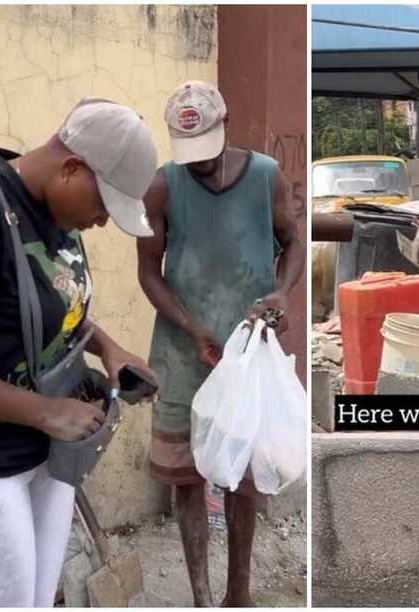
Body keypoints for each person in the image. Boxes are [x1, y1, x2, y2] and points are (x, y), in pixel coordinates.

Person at [0, 98, 159, 607]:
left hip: (49, 456)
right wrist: (47, 412)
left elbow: (55, 308)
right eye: (103, 206)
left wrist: (110, 349)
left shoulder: (54, 212)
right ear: (71, 168)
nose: (102, 223)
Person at [137, 80, 305, 607]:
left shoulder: (264, 176)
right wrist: (190, 327)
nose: (200, 165)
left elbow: (293, 240)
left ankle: (239, 594)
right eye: (190, 156)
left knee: (244, 474)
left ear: (226, 125)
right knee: (186, 474)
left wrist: (280, 293)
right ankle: (201, 596)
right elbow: (148, 271)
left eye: (208, 152)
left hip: (249, 349)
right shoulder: (163, 187)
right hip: (184, 348)